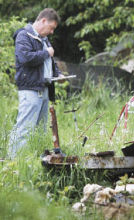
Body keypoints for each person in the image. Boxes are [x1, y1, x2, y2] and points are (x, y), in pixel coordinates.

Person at [8, 8, 65, 159]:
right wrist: (47, 52)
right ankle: (14, 162)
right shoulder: (23, 36)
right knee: (25, 127)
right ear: (43, 21)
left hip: (44, 88)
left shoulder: (44, 38)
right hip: (30, 89)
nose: (52, 32)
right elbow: (26, 58)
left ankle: (34, 160)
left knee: (40, 129)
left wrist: (58, 74)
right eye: (51, 28)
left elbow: (49, 62)